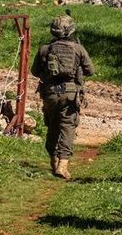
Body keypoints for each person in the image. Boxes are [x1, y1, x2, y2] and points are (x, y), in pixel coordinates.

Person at [31, 13, 95, 180]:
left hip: (50, 94)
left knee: (52, 126)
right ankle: (63, 165)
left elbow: (34, 71)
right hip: (70, 94)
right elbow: (90, 70)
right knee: (67, 127)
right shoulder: (78, 49)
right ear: (71, 31)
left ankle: (53, 161)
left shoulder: (45, 49)